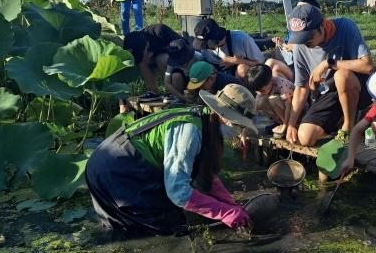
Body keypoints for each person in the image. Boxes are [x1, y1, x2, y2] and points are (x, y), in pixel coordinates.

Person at [85, 84, 257, 235]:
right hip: (116, 166)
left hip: (113, 158)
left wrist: (229, 203)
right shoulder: (190, 131)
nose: (238, 132)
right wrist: (224, 213)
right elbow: (178, 192)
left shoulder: (203, 119)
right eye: (238, 125)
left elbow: (205, 174)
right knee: (156, 226)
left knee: (128, 223)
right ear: (224, 118)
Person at [285, 4, 374, 147]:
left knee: (341, 76)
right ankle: (342, 121)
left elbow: (367, 66)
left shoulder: (345, 26)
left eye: (309, 36)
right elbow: (301, 88)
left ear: (323, 25)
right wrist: (291, 124)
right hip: (330, 94)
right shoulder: (300, 46)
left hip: (355, 87)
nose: (305, 42)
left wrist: (328, 63)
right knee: (305, 138)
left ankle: (348, 127)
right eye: (300, 38)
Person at [193, 18, 290, 80]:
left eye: (208, 44)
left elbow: (261, 64)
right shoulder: (204, 47)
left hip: (242, 78)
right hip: (218, 76)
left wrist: (237, 61)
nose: (206, 47)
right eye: (203, 44)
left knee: (241, 70)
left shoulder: (241, 39)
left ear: (217, 39)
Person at [123, 23, 181, 101]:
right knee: (141, 62)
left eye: (144, 52)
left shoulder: (159, 31)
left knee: (160, 59)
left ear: (147, 44)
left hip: (178, 60)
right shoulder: (132, 41)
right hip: (156, 61)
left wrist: (155, 52)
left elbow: (181, 46)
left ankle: (175, 91)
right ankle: (154, 92)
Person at [246, 63, 295, 138]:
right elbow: (255, 108)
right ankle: (279, 123)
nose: (259, 93)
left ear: (271, 80)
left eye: (262, 90)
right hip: (282, 113)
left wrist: (286, 126)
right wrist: (246, 128)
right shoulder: (263, 89)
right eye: (257, 91)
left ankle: (287, 126)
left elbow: (289, 106)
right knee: (260, 101)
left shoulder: (282, 84)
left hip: (295, 112)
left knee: (273, 99)